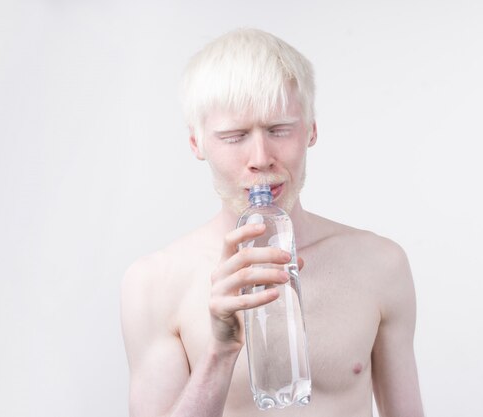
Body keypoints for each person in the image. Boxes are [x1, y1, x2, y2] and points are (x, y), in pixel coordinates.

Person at [121, 28, 424, 417]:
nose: (261, 158)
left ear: (311, 129)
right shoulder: (152, 283)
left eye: (280, 129)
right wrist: (219, 352)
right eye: (234, 136)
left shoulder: (381, 264)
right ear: (197, 143)